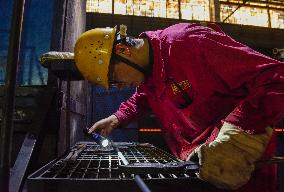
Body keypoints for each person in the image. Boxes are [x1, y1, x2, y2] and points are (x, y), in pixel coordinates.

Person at [74, 23, 284, 191]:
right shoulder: (148, 74)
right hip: (198, 169)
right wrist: (117, 117)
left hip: (239, 168)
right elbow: (143, 98)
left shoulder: (189, 42)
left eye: (113, 78)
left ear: (123, 50)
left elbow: (275, 78)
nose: (117, 86)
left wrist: (238, 133)